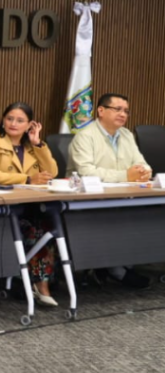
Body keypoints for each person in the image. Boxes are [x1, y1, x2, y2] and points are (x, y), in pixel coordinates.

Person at [68, 93, 152, 288]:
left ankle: (122, 264)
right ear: (101, 110)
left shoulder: (126, 135)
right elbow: (87, 172)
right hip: (88, 199)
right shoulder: (85, 136)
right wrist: (126, 176)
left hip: (123, 196)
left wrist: (144, 171)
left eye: (126, 111)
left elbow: (141, 162)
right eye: (117, 109)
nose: (123, 114)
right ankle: (116, 269)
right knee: (117, 218)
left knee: (146, 215)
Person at [0, 102, 59, 306]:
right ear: (3, 120)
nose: (13, 123)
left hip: (30, 204)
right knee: (35, 228)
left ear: (30, 125)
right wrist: (28, 179)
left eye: (20, 120)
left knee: (48, 225)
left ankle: (36, 282)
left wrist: (38, 144)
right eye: (9, 118)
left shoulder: (33, 146)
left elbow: (52, 172)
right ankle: (38, 283)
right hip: (2, 206)